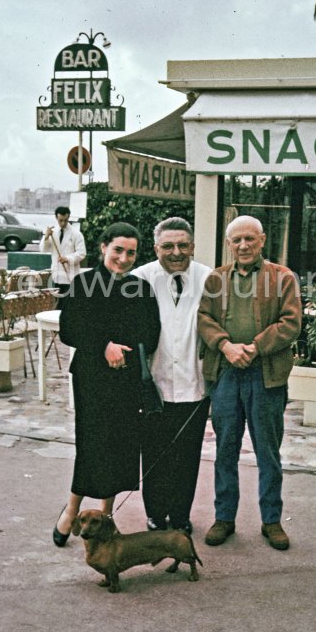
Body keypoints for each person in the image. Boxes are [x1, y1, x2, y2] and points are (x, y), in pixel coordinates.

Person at [52, 222, 160, 547]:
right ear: (103, 248)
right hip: (91, 379)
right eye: (118, 250)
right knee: (92, 444)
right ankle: (71, 510)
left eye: (131, 253)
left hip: (125, 381)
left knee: (118, 446)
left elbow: (151, 334)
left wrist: (125, 346)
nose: (124, 258)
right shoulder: (83, 283)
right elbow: (69, 330)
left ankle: (106, 515)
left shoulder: (140, 289)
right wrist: (103, 344)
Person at [197, 215, 302, 550]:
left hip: (265, 375)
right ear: (229, 244)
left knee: (267, 451)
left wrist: (256, 347)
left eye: (249, 239)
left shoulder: (282, 277)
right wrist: (225, 346)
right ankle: (224, 517)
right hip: (226, 373)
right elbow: (203, 317)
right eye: (236, 240)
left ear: (262, 240)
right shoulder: (216, 279)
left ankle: (271, 521)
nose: (243, 246)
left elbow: (291, 322)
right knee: (225, 449)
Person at [131, 217, 212, 534]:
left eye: (183, 245)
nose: (176, 252)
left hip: (195, 384)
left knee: (187, 456)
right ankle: (155, 513)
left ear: (192, 246)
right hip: (154, 386)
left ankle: (180, 515)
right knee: (153, 453)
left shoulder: (209, 279)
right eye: (168, 246)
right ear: (156, 248)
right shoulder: (139, 279)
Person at [40, 206, 86, 299]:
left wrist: (67, 258)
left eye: (65, 220)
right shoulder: (52, 232)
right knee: (57, 304)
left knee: (69, 304)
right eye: (60, 220)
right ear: (56, 218)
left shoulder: (76, 234)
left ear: (68, 217)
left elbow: (82, 253)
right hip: (56, 276)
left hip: (71, 276)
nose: (63, 223)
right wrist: (46, 237)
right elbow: (43, 249)